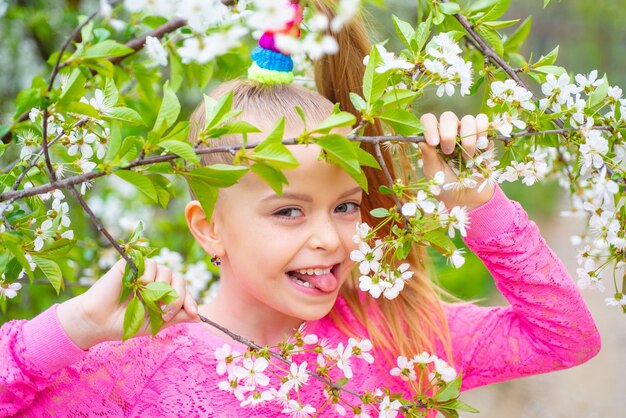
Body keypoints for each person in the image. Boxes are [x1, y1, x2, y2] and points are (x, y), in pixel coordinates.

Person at [0, 1, 601, 417]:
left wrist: (479, 204)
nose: (331, 240)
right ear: (208, 228)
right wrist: (74, 328)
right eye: (288, 211)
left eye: (345, 207)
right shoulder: (142, 363)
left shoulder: (392, 340)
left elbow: (565, 338)